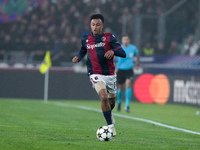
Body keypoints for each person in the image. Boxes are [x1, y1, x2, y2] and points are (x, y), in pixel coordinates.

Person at [72, 14, 126, 136]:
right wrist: (78, 57)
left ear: (102, 25)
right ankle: (111, 127)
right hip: (95, 73)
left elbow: (123, 53)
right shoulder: (85, 39)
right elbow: (83, 50)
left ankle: (109, 115)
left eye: (97, 25)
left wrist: (113, 51)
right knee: (104, 96)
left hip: (110, 74)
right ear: (90, 25)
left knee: (110, 101)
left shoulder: (109, 37)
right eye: (93, 25)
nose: (95, 27)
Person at [116, 35, 139, 112]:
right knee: (120, 87)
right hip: (120, 70)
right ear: (122, 41)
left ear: (129, 40)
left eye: (127, 39)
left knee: (128, 85)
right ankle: (119, 102)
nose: (125, 41)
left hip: (129, 70)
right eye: (124, 39)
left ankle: (127, 105)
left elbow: (137, 55)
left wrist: (137, 64)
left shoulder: (133, 48)